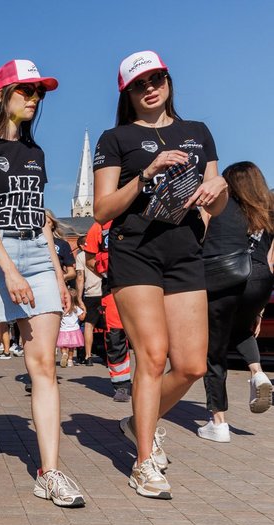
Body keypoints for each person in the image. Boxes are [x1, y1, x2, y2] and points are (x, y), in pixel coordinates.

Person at [93, 51, 228, 499]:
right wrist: (145, 174)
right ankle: (144, 461)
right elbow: (102, 209)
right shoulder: (116, 138)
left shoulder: (198, 132)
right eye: (139, 83)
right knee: (152, 356)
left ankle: (137, 423)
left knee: (190, 364)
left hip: (185, 253)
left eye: (157, 78)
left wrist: (218, 192)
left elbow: (214, 199)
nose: (150, 87)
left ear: (168, 80)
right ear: (127, 93)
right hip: (136, 252)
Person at [0, 59, 84, 507]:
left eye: (38, 94)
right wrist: (10, 271)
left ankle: (49, 472)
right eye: (25, 91)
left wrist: (55, 273)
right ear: (1, 96)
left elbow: (41, 219)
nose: (33, 99)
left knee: (43, 367)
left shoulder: (36, 153)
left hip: (36, 257)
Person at [200, 162, 274, 442]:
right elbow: (270, 258)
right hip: (259, 281)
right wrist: (260, 306)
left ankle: (218, 423)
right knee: (243, 329)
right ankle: (258, 373)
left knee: (214, 352)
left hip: (223, 279)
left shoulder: (221, 207)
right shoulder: (267, 210)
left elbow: (202, 240)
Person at [83, 222, 133, 402]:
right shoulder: (99, 226)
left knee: (146, 335)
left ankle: (148, 382)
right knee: (115, 334)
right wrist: (107, 273)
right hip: (112, 287)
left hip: (144, 283)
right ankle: (122, 385)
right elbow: (90, 260)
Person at [74, 235, 103, 365]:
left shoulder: (81, 256)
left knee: (88, 326)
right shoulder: (101, 252)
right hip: (106, 291)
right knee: (110, 325)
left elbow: (80, 277)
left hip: (91, 293)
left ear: (80, 246)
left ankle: (88, 356)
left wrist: (79, 298)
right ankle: (111, 355)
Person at [57, 288, 84, 367]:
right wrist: (84, 310)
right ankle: (70, 360)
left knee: (63, 345)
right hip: (74, 330)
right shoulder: (76, 308)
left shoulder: (62, 308)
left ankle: (64, 353)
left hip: (63, 330)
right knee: (72, 347)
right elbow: (82, 318)